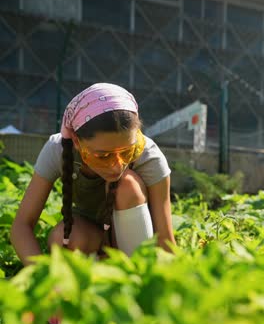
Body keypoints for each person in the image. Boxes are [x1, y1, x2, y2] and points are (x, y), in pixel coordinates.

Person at [10, 82, 176, 266]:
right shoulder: (58, 149)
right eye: (103, 156)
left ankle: (136, 269)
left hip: (138, 233)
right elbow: (21, 226)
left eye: (126, 152)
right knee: (63, 238)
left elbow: (165, 239)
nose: (116, 166)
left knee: (127, 185)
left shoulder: (148, 156)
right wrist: (40, 275)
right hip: (92, 233)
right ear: (76, 141)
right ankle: (102, 265)